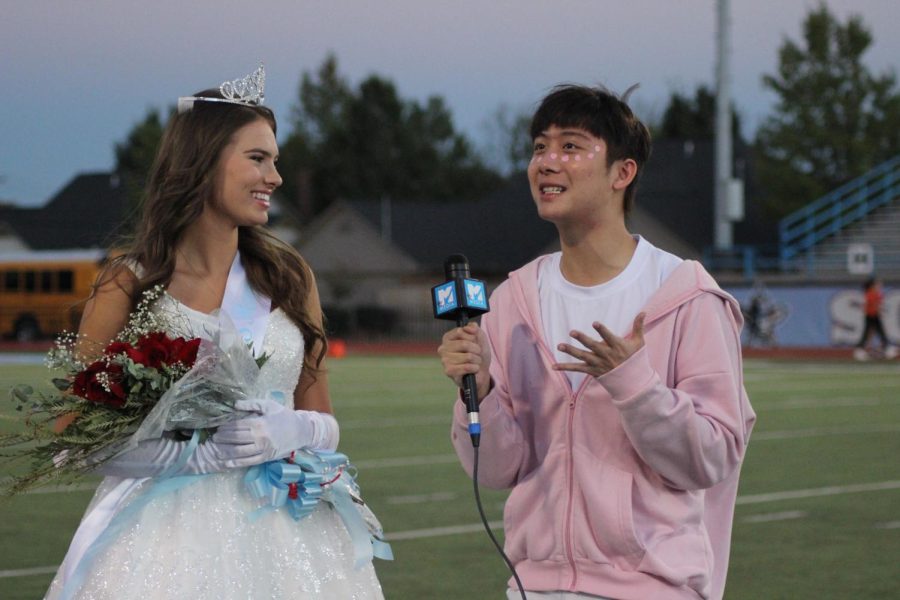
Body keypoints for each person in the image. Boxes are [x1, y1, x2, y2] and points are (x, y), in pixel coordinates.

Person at [45, 66, 385, 599]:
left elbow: (322, 415)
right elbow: (72, 435)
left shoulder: (291, 277)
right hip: (165, 537)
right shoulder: (129, 284)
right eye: (257, 158)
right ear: (201, 163)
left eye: (275, 161)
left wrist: (293, 432)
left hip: (288, 531)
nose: (274, 177)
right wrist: (189, 452)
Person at [438, 84, 755, 600]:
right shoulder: (514, 301)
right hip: (533, 587)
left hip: (650, 588)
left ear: (622, 173)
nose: (547, 162)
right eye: (540, 147)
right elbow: (494, 471)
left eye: (571, 146)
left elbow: (714, 458)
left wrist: (635, 386)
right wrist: (482, 390)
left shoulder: (687, 296)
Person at [854, 276, 897, 360]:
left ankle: (862, 350)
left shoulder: (875, 293)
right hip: (872, 315)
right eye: (877, 283)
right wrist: (879, 310)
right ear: (872, 285)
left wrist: (880, 309)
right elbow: (871, 305)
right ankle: (886, 349)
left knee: (874, 333)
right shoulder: (870, 293)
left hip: (873, 315)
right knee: (874, 332)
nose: (880, 285)